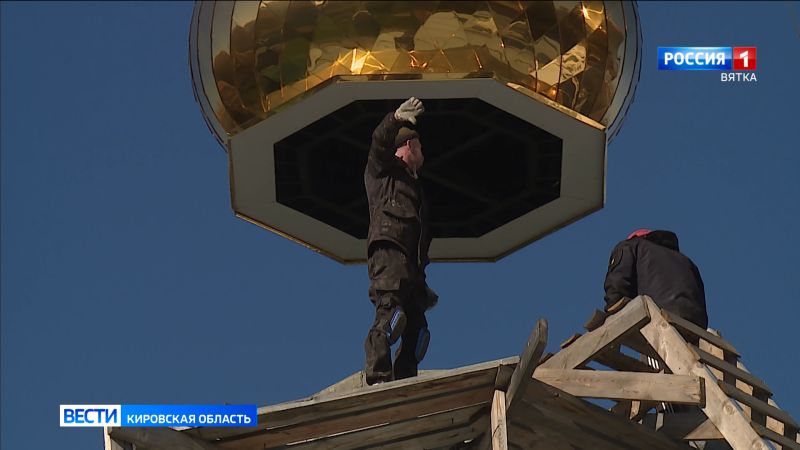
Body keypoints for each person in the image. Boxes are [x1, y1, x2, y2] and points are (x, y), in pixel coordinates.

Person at [363, 97, 438, 385]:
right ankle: (378, 373)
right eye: (417, 145)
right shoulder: (382, 173)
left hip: (413, 266)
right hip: (391, 255)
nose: (421, 151)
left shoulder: (414, 188)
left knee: (417, 330)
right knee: (391, 315)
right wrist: (395, 118)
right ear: (407, 147)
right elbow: (379, 143)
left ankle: (405, 379)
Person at [597, 229, 708, 330]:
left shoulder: (630, 245)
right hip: (696, 325)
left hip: (661, 317)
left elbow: (617, 283)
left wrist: (612, 313)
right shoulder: (688, 263)